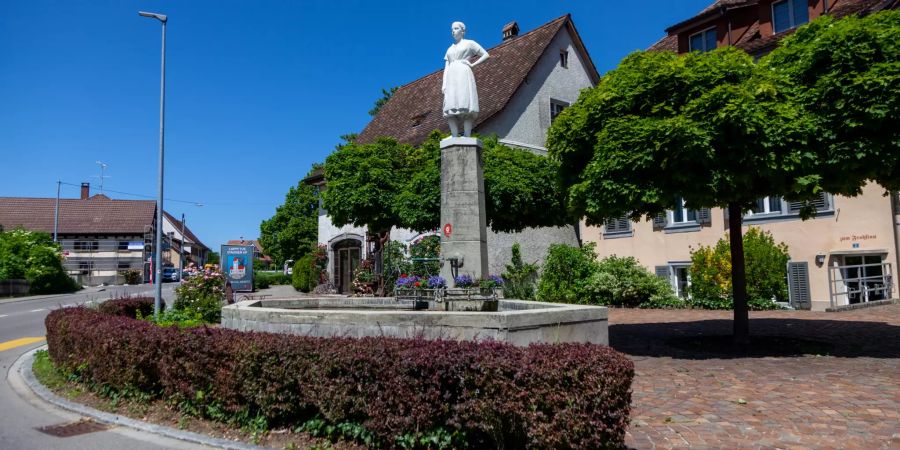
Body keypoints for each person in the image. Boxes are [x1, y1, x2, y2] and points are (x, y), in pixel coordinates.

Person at [442, 21, 489, 137]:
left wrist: (472, 64)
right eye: (452, 29)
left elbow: (485, 54)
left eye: (456, 28)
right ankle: (454, 135)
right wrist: (444, 84)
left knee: (466, 105)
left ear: (463, 31)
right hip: (451, 77)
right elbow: (446, 68)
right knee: (449, 108)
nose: (453, 31)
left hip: (463, 73)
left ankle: (467, 135)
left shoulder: (469, 43)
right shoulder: (449, 49)